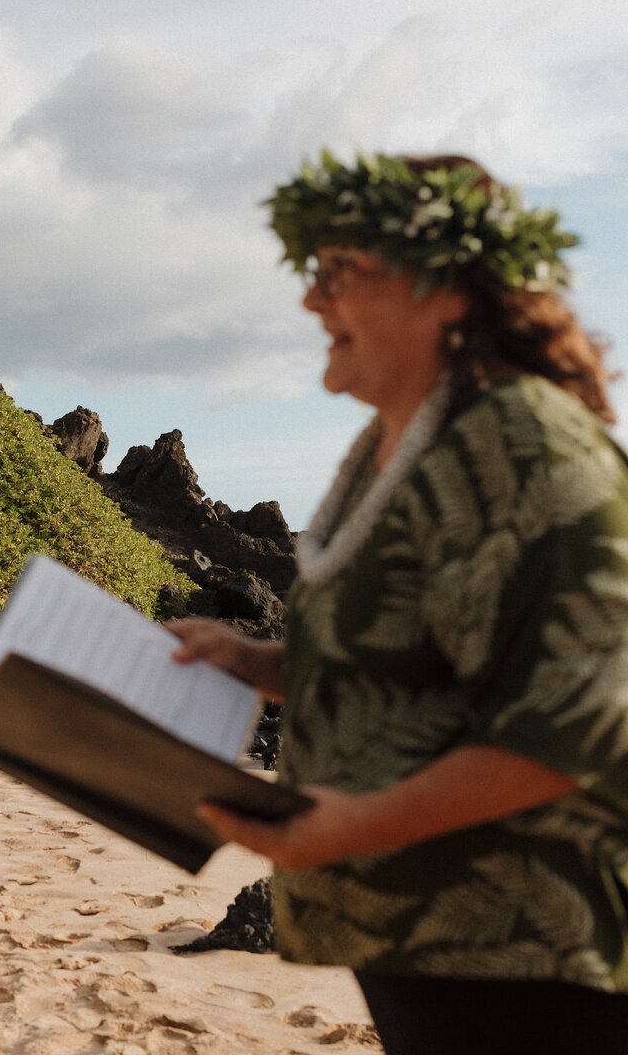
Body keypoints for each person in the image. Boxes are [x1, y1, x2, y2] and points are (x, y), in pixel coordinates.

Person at [167, 151, 628, 1055]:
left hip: (533, 960)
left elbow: (585, 713)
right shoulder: (412, 445)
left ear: (448, 291)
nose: (312, 299)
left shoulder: (523, 444)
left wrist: (354, 828)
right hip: (430, 948)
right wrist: (255, 664)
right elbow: (423, 660)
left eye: (341, 272)